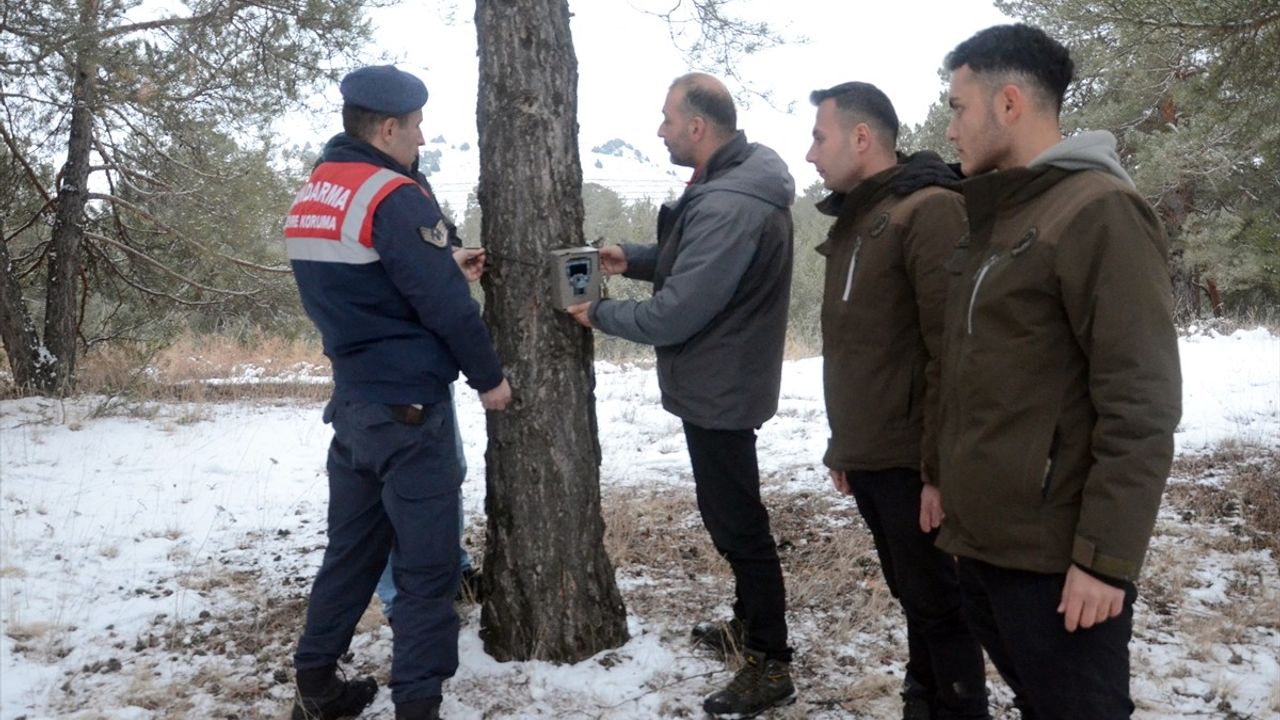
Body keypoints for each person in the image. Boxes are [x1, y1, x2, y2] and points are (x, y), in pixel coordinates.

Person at [937, 24, 1182, 719]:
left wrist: (1104, 560)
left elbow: (1141, 400)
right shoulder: (1003, 216)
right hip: (989, 543)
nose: (950, 129)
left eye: (958, 108)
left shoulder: (1099, 212)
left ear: (1008, 103)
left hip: (1056, 559)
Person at [566, 72, 796, 719]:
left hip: (722, 386)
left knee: (738, 525)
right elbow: (697, 264)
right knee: (731, 515)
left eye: (668, 119)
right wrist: (634, 258)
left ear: (697, 126)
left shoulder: (730, 202)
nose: (661, 130)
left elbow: (675, 313)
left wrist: (598, 314)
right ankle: (748, 626)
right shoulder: (736, 181)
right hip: (724, 379)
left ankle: (770, 661)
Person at [284, 65, 512, 720]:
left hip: (354, 408)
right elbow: (447, 309)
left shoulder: (316, 194)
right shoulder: (394, 194)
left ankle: (316, 686)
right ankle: (418, 705)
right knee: (428, 572)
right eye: (415, 126)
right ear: (388, 129)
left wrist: (441, 263)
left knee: (350, 557)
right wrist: (490, 379)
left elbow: (368, 280)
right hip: (410, 413)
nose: (421, 137)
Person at [805, 81, 990, 720]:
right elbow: (861, 348)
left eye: (819, 137)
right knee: (916, 595)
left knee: (941, 604)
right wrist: (845, 446)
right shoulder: (861, 216)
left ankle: (958, 708)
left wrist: (938, 470)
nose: (810, 154)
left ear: (861, 137)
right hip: (874, 453)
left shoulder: (929, 210)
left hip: (914, 458)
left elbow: (952, 350)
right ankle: (924, 699)